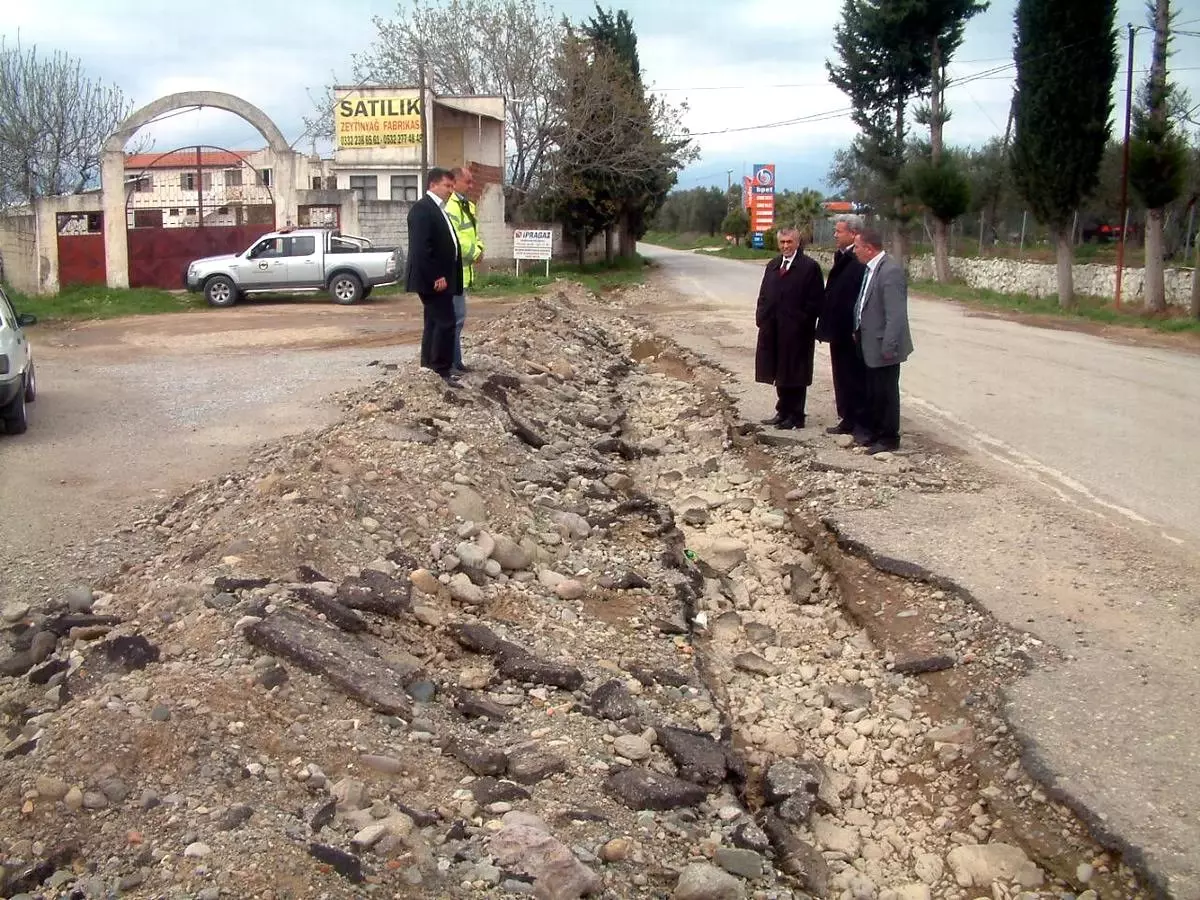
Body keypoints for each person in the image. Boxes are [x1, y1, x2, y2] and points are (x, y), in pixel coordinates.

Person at [851, 227, 914, 453]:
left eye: (857, 247)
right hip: (867, 341)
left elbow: (895, 315)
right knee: (873, 391)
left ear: (869, 248)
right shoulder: (871, 269)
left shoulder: (890, 271)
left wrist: (889, 346)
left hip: (883, 345)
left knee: (885, 392)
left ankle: (889, 437)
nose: (854, 251)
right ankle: (874, 432)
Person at [755, 227, 824, 429]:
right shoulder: (773, 265)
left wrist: (801, 321)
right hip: (773, 328)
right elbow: (764, 295)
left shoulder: (809, 267)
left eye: (789, 242)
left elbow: (816, 301)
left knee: (796, 372)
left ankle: (796, 415)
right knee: (779, 370)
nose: (786, 246)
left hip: (797, 332)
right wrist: (762, 318)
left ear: (797, 243)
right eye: (782, 242)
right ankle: (782, 411)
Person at [406, 167, 463, 385]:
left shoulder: (438, 209)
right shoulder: (422, 209)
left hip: (441, 278)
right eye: (447, 186)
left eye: (452, 186)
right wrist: (436, 275)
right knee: (445, 322)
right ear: (433, 185)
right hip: (433, 280)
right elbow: (422, 248)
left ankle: (429, 365)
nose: (450, 190)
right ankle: (441, 369)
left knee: (433, 322)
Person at [816, 214, 868, 435]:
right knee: (840, 375)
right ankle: (846, 417)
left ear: (853, 233)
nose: (835, 235)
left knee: (854, 375)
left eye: (839, 231)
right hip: (837, 328)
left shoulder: (859, 259)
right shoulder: (842, 255)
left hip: (850, 330)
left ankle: (858, 420)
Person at [445, 166, 484, 374]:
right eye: (467, 182)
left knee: (458, 320)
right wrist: (474, 253)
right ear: (456, 182)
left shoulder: (467, 205)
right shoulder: (451, 207)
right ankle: (451, 363)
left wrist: (479, 249)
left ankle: (456, 362)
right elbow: (457, 241)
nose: (471, 186)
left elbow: (474, 234)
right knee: (454, 320)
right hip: (455, 271)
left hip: (463, 271)